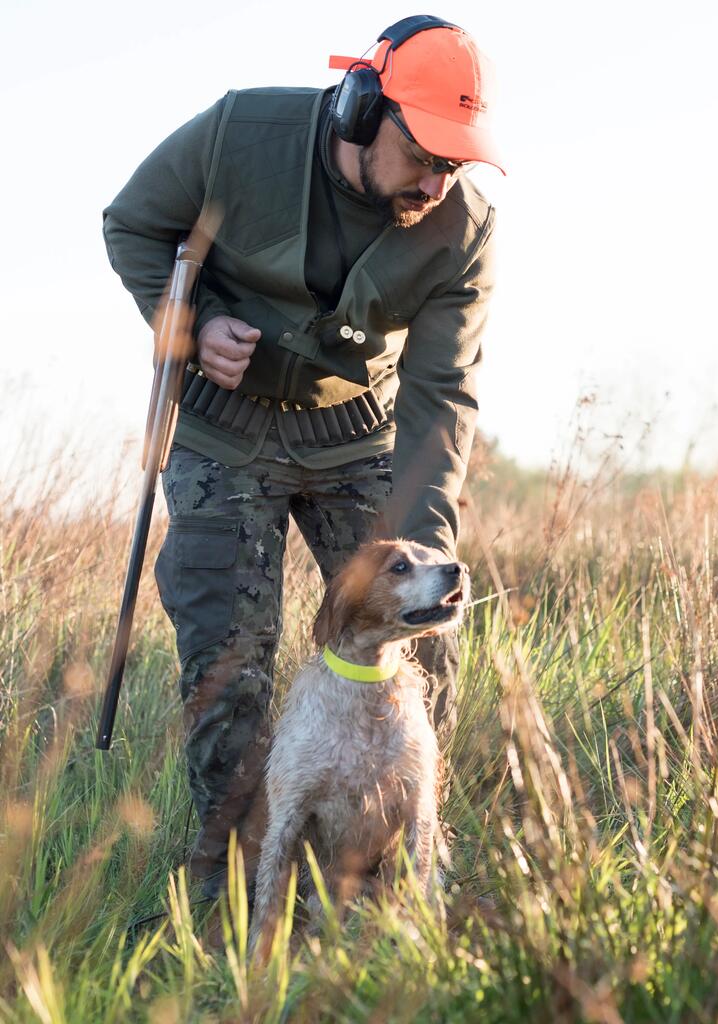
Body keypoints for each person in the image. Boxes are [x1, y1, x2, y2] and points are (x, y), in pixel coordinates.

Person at [102, 15, 502, 897]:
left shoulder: (463, 227)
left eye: (456, 161)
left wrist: (428, 552)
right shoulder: (241, 134)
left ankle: (395, 892)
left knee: (426, 639)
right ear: (365, 108)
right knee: (229, 668)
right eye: (426, 152)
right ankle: (226, 893)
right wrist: (194, 324)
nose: (439, 179)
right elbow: (131, 225)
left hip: (355, 436)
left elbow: (443, 400)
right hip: (220, 433)